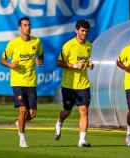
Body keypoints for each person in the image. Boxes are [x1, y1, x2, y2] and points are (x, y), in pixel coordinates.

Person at [0, 16, 43, 148]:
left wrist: (40, 61)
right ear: (20, 28)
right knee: (23, 110)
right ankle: (22, 138)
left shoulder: (37, 42)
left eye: (29, 25)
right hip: (17, 82)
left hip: (31, 82)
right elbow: (2, 60)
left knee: (32, 114)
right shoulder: (13, 43)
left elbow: (41, 55)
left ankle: (19, 123)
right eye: (25, 25)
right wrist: (10, 65)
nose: (28, 27)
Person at [54, 19, 94, 147]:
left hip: (83, 85)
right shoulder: (68, 46)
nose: (84, 33)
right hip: (69, 85)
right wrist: (73, 65)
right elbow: (59, 62)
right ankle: (59, 122)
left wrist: (90, 64)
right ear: (76, 30)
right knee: (67, 111)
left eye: (86, 31)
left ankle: (82, 140)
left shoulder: (89, 45)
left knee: (84, 111)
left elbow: (87, 62)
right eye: (82, 31)